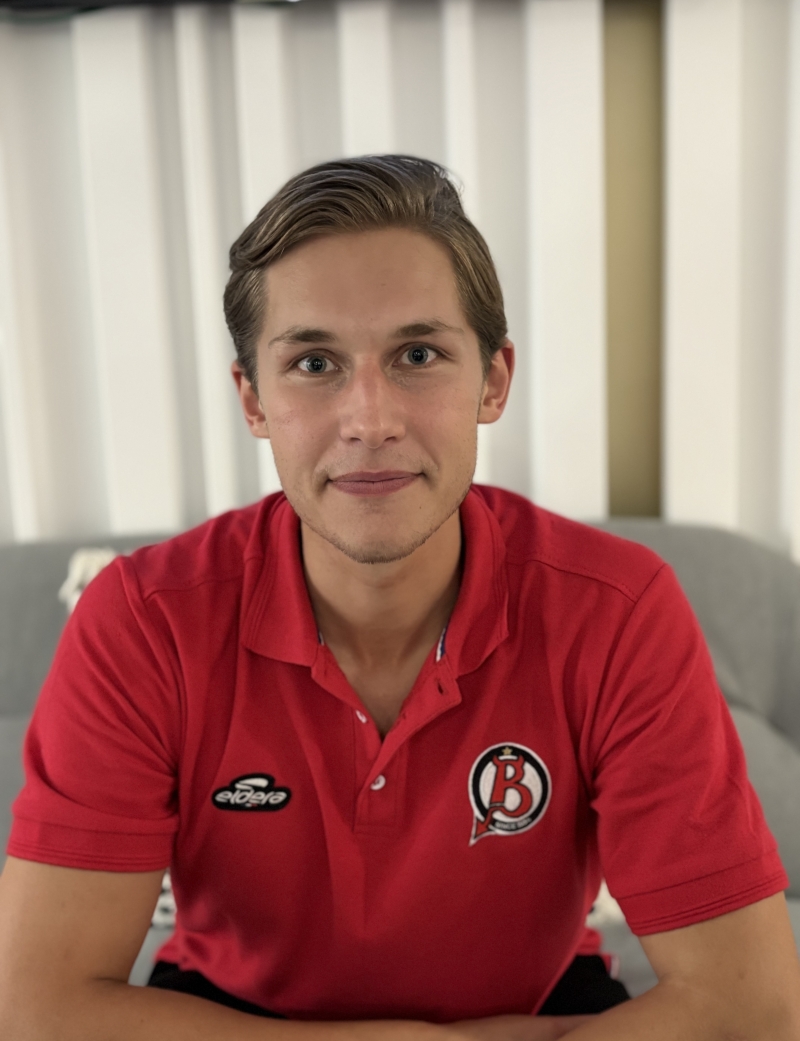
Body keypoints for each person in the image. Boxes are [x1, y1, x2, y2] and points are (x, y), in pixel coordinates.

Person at [0, 155, 798, 1041]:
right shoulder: (139, 621)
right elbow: (42, 1010)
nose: (370, 418)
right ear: (252, 399)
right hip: (227, 1011)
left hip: (539, 1003)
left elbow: (751, 1007)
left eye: (418, 355)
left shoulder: (619, 607)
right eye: (313, 362)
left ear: (493, 380)